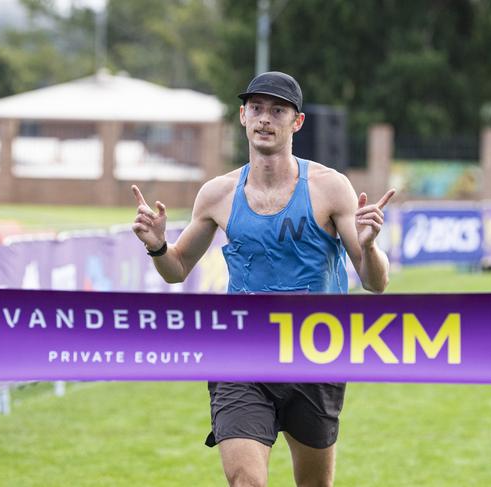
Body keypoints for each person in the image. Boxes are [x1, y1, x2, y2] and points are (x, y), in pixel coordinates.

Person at [131, 71, 394, 487]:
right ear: (242, 116)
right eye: (256, 108)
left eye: (277, 110)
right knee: (246, 482)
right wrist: (159, 245)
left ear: (297, 122)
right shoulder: (217, 193)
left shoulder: (331, 188)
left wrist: (370, 244)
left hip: (315, 353)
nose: (265, 119)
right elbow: (177, 269)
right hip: (242, 353)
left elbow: (374, 282)